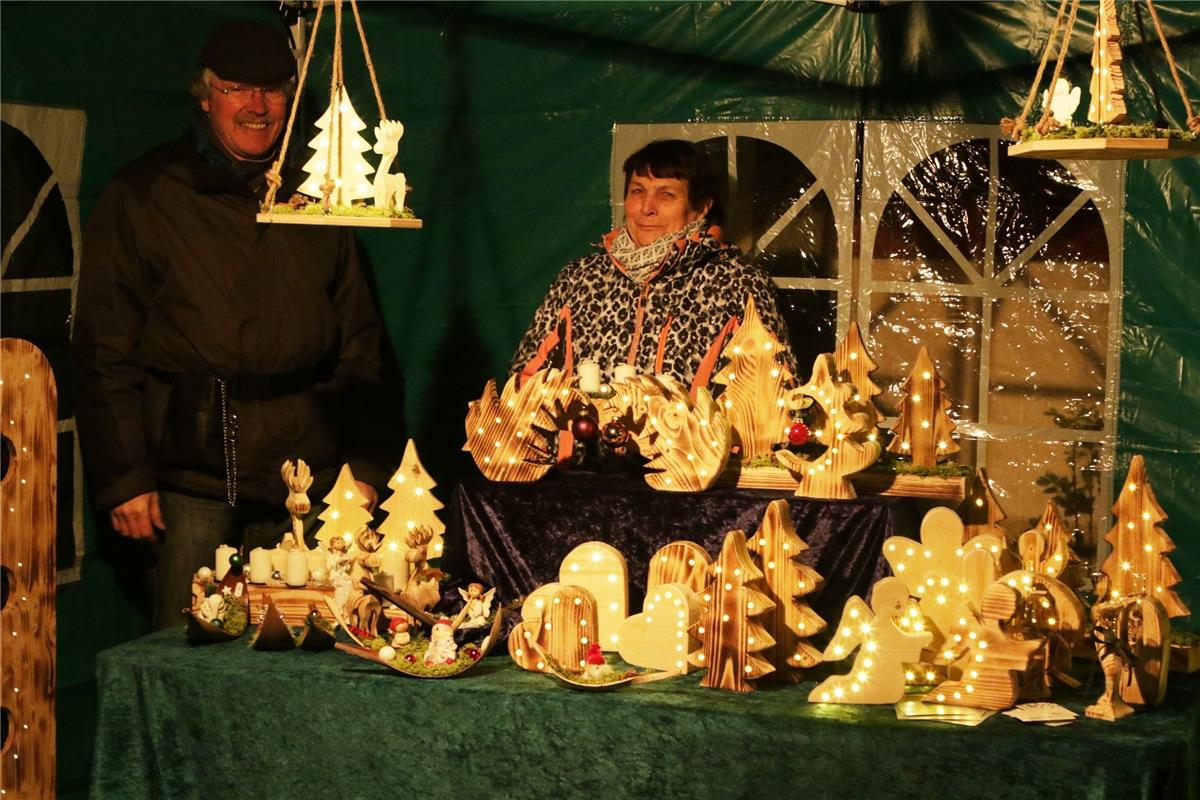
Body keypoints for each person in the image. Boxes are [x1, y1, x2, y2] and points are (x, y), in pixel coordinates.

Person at [72, 20, 388, 629]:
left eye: (272, 90)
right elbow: (102, 349)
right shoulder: (145, 195)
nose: (257, 106)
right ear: (206, 93)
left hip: (307, 473)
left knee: (308, 646)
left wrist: (366, 468)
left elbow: (361, 340)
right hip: (191, 477)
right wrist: (122, 479)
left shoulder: (321, 196)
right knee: (186, 652)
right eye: (239, 88)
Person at [510, 139, 796, 388]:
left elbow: (771, 394)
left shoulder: (737, 284)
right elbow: (523, 381)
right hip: (586, 451)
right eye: (637, 191)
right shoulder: (580, 278)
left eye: (666, 194)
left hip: (686, 451)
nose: (647, 208)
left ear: (702, 207)